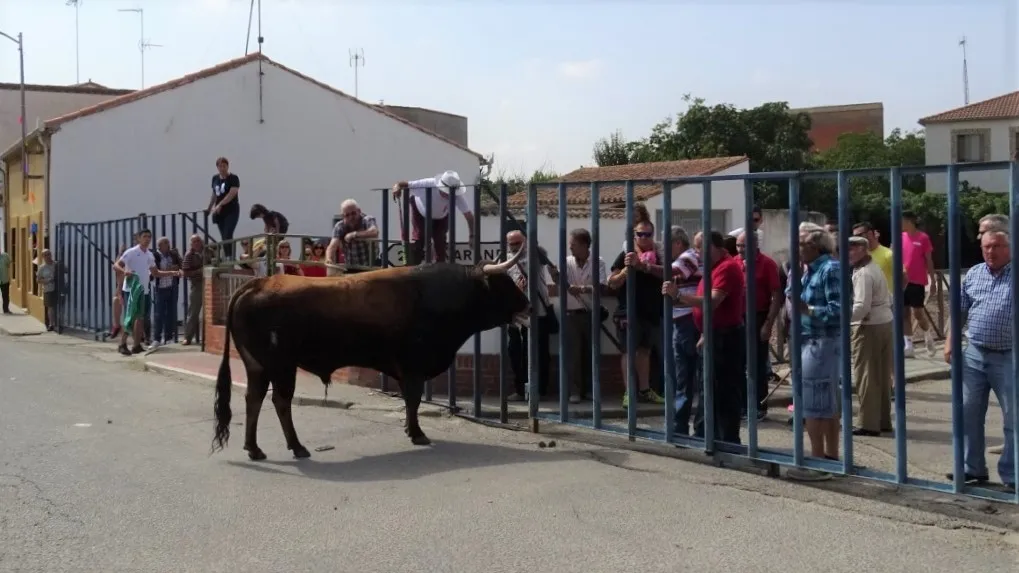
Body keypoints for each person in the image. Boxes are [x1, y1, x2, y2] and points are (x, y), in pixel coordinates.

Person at [944, 229, 1015, 493]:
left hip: (1009, 355)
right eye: (986, 246)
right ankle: (971, 468)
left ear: (1009, 247)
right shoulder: (974, 274)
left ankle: (1013, 474)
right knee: (968, 413)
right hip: (974, 354)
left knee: (1013, 418)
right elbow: (959, 311)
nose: (990, 251)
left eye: (996, 246)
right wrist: (951, 341)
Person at [664, 230, 745, 443]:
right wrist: (704, 332)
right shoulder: (713, 268)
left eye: (700, 248)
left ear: (713, 247)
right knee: (710, 387)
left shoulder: (726, 267)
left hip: (726, 337)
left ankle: (728, 440)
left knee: (725, 389)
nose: (697, 253)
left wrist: (679, 295)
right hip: (714, 334)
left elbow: (712, 301)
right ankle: (708, 435)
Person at [608, 219, 666, 407]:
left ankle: (644, 390)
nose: (644, 238)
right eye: (640, 234)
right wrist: (626, 270)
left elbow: (670, 274)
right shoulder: (626, 254)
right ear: (634, 235)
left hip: (651, 310)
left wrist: (644, 266)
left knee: (645, 351)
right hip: (628, 311)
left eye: (647, 234)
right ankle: (629, 392)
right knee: (628, 351)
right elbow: (612, 282)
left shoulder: (659, 253)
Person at [553, 228, 607, 404]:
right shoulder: (566, 262)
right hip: (571, 314)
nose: (570, 248)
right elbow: (561, 283)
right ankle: (574, 391)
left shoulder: (598, 262)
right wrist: (556, 277)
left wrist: (583, 289)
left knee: (591, 353)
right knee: (573, 354)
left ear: (584, 245)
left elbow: (602, 288)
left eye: (573, 245)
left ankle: (591, 389)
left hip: (591, 313)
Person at [847, 235, 894, 436]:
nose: (847, 252)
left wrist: (842, 319)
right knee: (881, 375)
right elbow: (889, 297)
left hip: (868, 325)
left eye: (851, 248)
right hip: (884, 322)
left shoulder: (863, 273)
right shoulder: (874, 268)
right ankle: (882, 420)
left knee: (865, 375)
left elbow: (861, 306)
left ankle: (868, 423)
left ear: (861, 249)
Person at [736, 228, 783, 420]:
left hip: (758, 316)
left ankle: (759, 407)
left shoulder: (767, 264)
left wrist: (768, 324)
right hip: (738, 317)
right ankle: (742, 405)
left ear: (755, 246)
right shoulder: (734, 262)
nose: (739, 249)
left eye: (743, 246)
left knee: (756, 364)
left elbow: (777, 295)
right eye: (738, 245)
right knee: (739, 363)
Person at [112, 229, 182, 356]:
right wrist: (124, 272)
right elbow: (116, 265)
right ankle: (122, 344)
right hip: (132, 289)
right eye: (144, 236)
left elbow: (156, 273)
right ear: (139, 238)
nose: (147, 239)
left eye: (149, 237)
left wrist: (173, 273)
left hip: (144, 290)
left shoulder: (149, 255)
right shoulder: (131, 252)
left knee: (141, 318)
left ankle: (136, 345)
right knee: (131, 317)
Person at [505, 230, 556, 401]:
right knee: (515, 352)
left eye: (518, 243)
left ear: (525, 242)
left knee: (537, 353)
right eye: (512, 244)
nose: (515, 247)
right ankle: (520, 390)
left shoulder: (536, 254)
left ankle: (538, 390)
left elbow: (543, 256)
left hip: (537, 312)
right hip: (516, 315)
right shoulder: (505, 260)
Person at [391, 171, 475, 265]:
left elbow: (469, 216)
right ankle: (413, 267)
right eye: (446, 191)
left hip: (441, 216)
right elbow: (403, 184)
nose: (448, 195)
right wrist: (396, 187)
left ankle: (439, 268)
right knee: (420, 238)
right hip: (420, 212)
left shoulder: (457, 195)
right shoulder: (428, 184)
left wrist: (472, 235)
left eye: (450, 193)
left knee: (440, 242)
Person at [901, 211, 936, 358]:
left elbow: (929, 260)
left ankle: (928, 335)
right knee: (904, 314)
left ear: (910, 221)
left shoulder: (923, 238)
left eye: (902, 221)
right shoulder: (900, 237)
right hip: (902, 281)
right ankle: (908, 345)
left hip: (917, 281)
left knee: (918, 313)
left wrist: (933, 280)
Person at [328, 199, 379, 270]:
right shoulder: (340, 226)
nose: (351, 217)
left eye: (353, 213)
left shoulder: (367, 219)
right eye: (347, 215)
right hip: (351, 267)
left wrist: (354, 234)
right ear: (343, 216)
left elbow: (374, 232)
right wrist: (329, 260)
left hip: (371, 266)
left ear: (359, 211)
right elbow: (332, 246)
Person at [852, 221, 898, 295]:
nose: (856, 239)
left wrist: (893, 297)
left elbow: (902, 277)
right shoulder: (858, 256)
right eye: (854, 237)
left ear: (870, 234)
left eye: (859, 235)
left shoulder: (888, 254)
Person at [208, 157, 241, 257]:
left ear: (228, 166)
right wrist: (209, 208)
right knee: (223, 236)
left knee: (228, 233)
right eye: (220, 166)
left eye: (224, 166)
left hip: (231, 210)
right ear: (217, 167)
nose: (222, 168)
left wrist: (220, 204)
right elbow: (214, 194)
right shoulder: (215, 178)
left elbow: (232, 193)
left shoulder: (233, 178)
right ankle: (227, 256)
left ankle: (230, 257)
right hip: (219, 212)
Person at [36, 249, 57, 331]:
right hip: (48, 289)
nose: (48, 256)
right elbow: (38, 280)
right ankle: (51, 324)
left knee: (58, 306)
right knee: (51, 307)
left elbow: (65, 270)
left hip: (58, 288)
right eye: (45, 255)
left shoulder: (56, 264)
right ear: (43, 257)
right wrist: (47, 281)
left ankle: (59, 323)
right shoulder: (42, 268)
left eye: (49, 254)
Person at [0, 247, 10, 314]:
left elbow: (8, 264)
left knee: (5, 295)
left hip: (4, 279)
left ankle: (6, 309)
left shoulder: (5, 256)